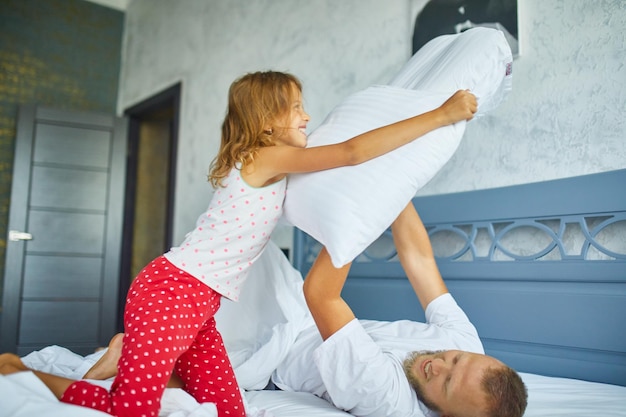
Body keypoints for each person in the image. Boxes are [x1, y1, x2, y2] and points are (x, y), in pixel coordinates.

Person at [0, 71, 477, 417]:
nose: (306, 115)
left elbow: (348, 167)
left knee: (229, 413)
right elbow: (352, 153)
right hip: (171, 290)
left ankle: (125, 353)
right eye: (296, 107)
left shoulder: (267, 158)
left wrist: (389, 184)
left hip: (198, 304)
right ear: (268, 123)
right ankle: (23, 374)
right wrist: (440, 115)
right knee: (132, 413)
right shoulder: (267, 157)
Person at [278, 201, 528, 417]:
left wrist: (360, 216)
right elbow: (420, 261)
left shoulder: (388, 400)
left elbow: (321, 296)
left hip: (272, 349)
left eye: (447, 382)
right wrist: (394, 184)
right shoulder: (468, 349)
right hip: (295, 309)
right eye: (456, 359)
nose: (438, 365)